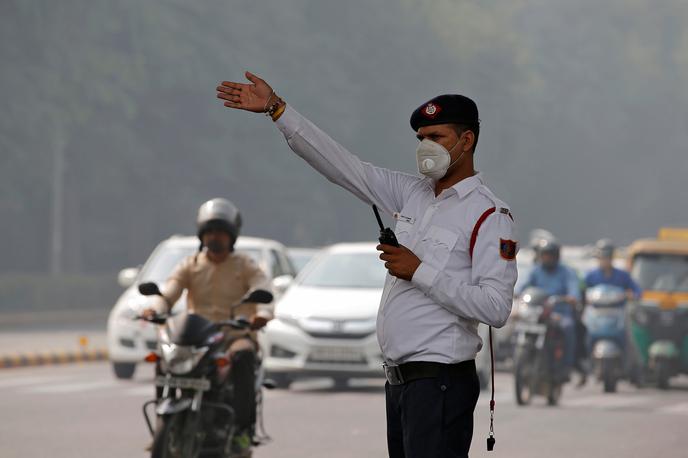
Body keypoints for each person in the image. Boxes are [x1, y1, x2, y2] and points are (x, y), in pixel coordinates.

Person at [217, 73, 518, 458]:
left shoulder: (489, 213)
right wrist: (278, 110)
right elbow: (343, 166)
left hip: (440, 382)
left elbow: (496, 308)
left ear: (467, 140)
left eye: (436, 137)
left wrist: (419, 270)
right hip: (400, 381)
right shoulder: (413, 194)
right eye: (420, 139)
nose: (426, 147)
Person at [142, 198, 272, 453]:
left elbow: (262, 288)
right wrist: (154, 309)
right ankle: (163, 421)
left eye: (221, 232)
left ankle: (241, 431)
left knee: (244, 354)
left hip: (234, 334)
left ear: (231, 236)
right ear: (202, 235)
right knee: (163, 357)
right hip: (198, 337)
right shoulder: (190, 265)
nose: (215, 237)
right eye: (210, 232)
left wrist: (263, 314)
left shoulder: (245, 265)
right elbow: (168, 293)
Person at [517, 238, 580, 380]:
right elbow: (522, 287)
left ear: (556, 256)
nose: (547, 258)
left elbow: (573, 290)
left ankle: (566, 366)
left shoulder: (566, 272)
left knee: (568, 327)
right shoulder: (535, 271)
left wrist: (571, 297)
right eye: (544, 255)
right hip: (538, 313)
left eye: (550, 255)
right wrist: (515, 293)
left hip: (559, 313)